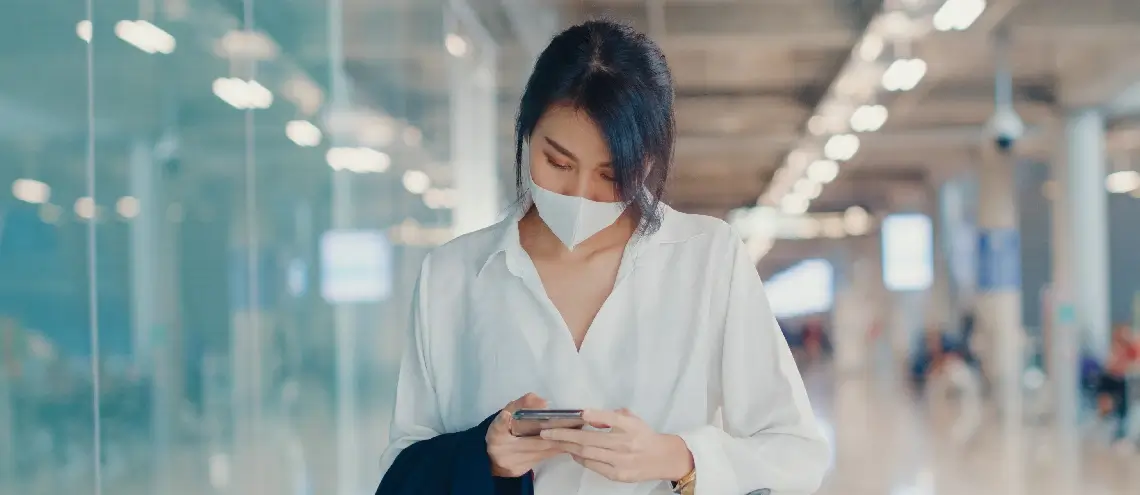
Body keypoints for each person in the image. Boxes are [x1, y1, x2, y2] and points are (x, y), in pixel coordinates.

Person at [376, 20, 829, 495]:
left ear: (649, 163)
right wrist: (484, 455)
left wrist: (679, 457)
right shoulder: (451, 275)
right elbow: (404, 462)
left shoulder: (707, 259)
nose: (579, 194)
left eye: (611, 174)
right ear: (526, 132)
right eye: (557, 162)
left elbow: (795, 453)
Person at [1096, 324, 1138, 441]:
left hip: (1123, 384)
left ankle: (1120, 435)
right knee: (1112, 410)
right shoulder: (1114, 350)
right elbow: (1110, 366)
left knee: (1123, 410)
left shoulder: (1130, 350)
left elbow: (1130, 365)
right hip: (1112, 382)